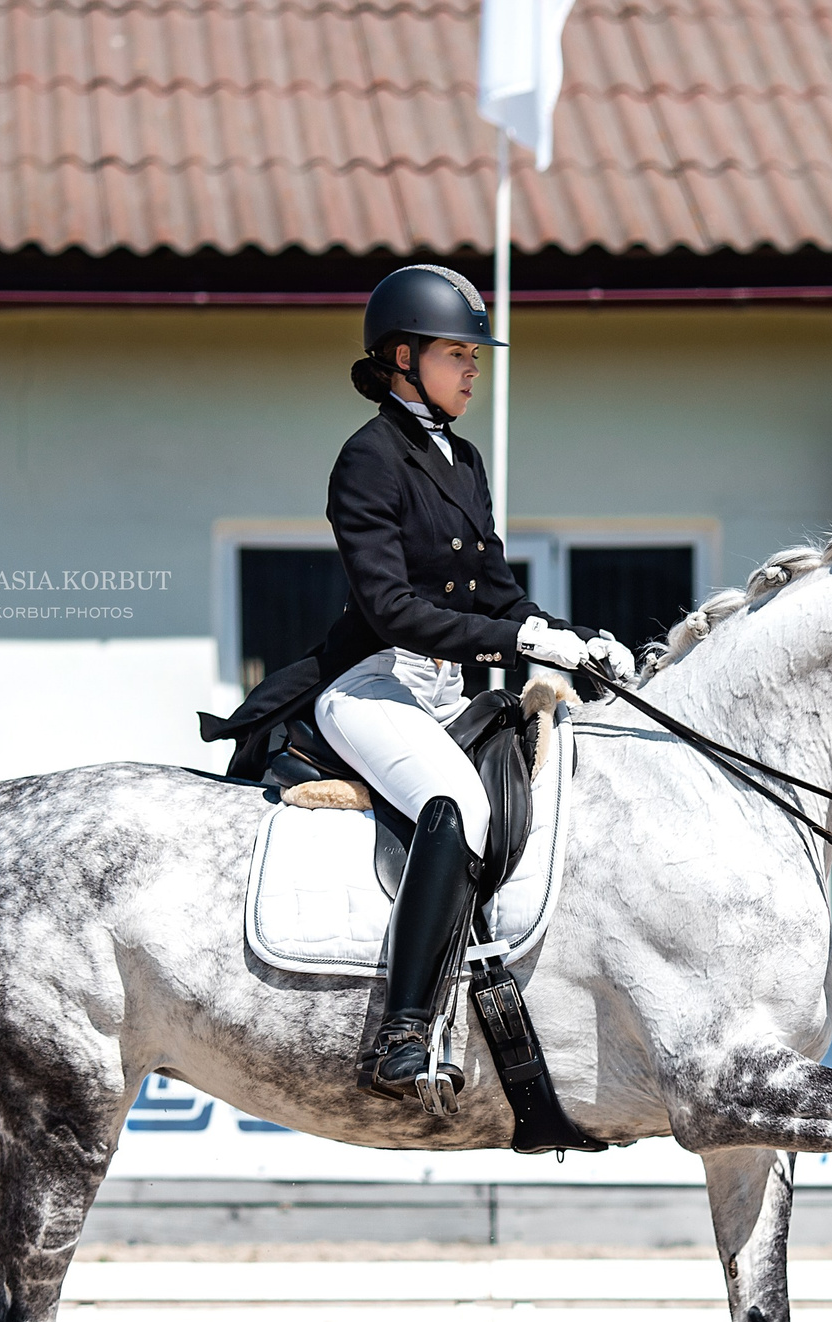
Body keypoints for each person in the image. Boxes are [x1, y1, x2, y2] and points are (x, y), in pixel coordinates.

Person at [200, 264, 634, 1106]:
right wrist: (519, 639)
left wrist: (576, 640)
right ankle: (402, 1031)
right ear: (402, 357)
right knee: (458, 806)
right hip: (370, 684)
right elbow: (394, 609)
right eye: (458, 353)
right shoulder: (367, 460)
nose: (475, 368)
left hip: (443, 690)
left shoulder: (463, 459)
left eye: (476, 354)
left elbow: (497, 592)